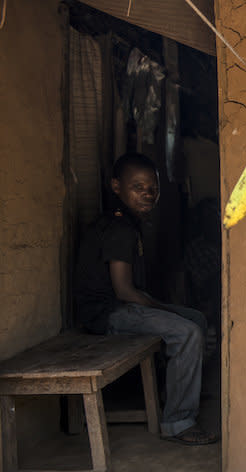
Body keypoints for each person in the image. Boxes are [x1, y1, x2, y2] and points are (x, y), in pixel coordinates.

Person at [74, 153, 217, 445]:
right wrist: (162, 308)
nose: (147, 193)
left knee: (196, 318)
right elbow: (124, 291)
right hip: (107, 313)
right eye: (137, 186)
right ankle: (178, 422)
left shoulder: (129, 224)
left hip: (120, 305)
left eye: (153, 187)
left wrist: (164, 308)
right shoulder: (119, 229)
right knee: (186, 331)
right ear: (116, 186)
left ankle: (178, 391)